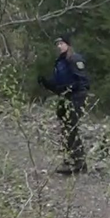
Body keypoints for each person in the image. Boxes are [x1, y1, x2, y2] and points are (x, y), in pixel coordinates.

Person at [37, 34, 90, 174]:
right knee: (65, 128)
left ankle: (79, 162)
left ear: (68, 45)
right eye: (57, 44)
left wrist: (70, 88)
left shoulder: (74, 59)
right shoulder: (60, 62)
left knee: (71, 127)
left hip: (76, 96)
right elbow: (57, 84)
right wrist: (46, 83)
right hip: (65, 97)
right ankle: (70, 159)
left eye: (61, 43)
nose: (59, 46)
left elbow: (83, 82)